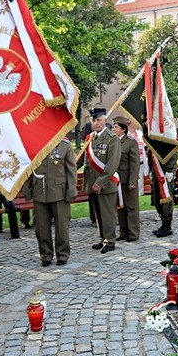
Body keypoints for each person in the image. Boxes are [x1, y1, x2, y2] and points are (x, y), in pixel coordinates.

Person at [22, 137, 77, 266]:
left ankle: (62, 254)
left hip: (59, 192)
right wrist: (27, 189)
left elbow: (71, 170)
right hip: (39, 191)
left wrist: (71, 190)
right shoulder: (33, 144)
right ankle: (46, 254)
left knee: (61, 226)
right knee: (41, 228)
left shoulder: (64, 145)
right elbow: (28, 169)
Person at [82, 106, 120, 253]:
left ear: (105, 120)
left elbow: (112, 163)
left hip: (106, 183)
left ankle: (110, 241)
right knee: (97, 213)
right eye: (93, 120)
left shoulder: (112, 139)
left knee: (107, 213)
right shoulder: (90, 138)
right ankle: (102, 238)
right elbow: (86, 160)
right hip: (92, 181)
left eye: (98, 120)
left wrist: (100, 181)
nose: (96, 123)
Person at [113, 116, 140, 242]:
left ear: (123, 129)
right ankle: (123, 232)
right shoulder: (114, 141)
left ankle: (133, 233)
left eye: (116, 127)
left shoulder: (131, 142)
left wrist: (132, 181)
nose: (113, 129)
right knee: (120, 207)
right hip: (117, 180)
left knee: (131, 207)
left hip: (127, 180)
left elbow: (134, 164)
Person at [149, 148, 178, 238]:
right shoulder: (153, 135)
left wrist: (170, 169)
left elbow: (173, 151)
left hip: (165, 172)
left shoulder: (168, 135)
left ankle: (167, 225)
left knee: (166, 199)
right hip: (156, 172)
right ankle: (163, 224)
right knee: (157, 199)